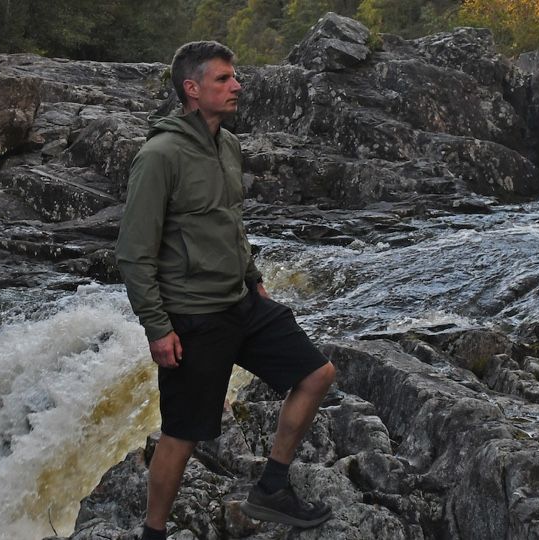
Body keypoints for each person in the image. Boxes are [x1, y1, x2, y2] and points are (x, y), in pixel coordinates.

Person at [116, 41, 336, 539]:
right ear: (192, 90)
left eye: (235, 77)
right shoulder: (159, 156)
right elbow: (134, 252)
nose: (237, 86)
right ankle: (153, 533)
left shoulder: (228, 144)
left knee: (316, 375)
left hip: (243, 303)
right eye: (223, 79)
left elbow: (229, 223)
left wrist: (254, 278)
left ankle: (271, 489)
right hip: (194, 318)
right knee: (182, 435)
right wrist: (157, 327)